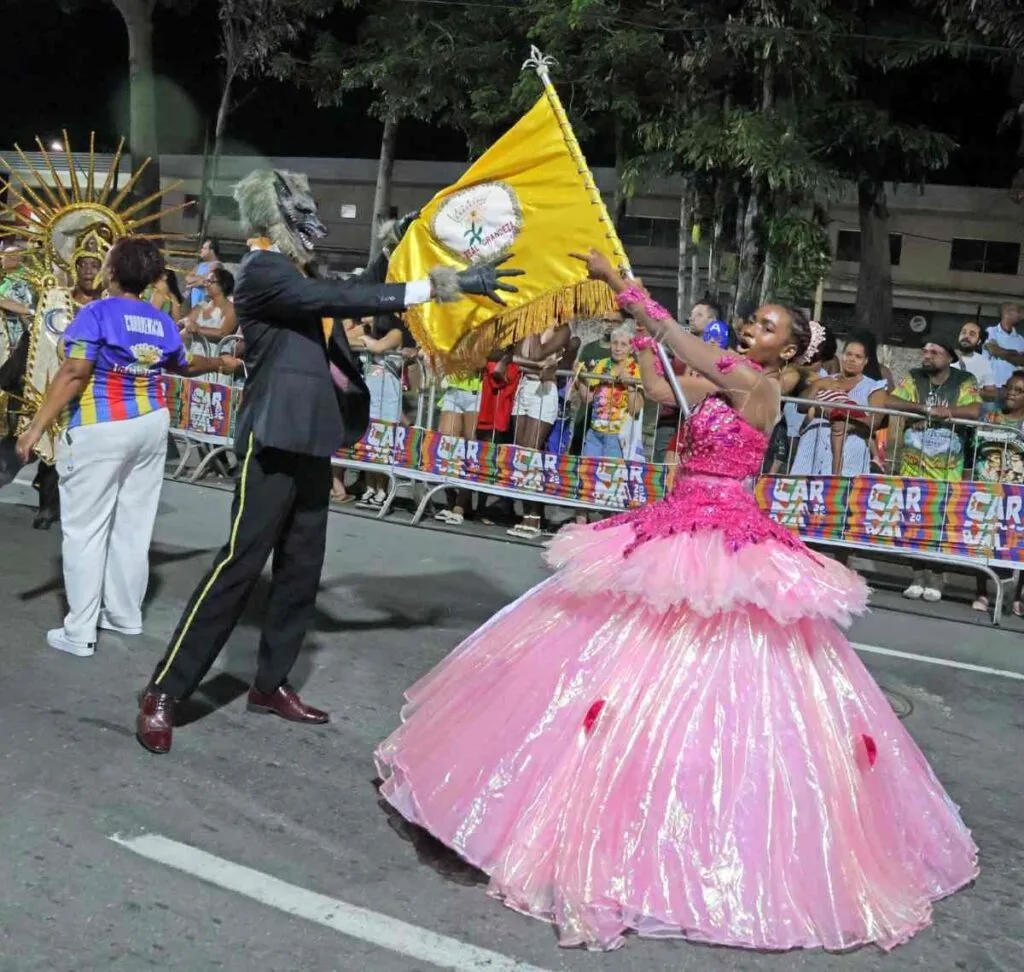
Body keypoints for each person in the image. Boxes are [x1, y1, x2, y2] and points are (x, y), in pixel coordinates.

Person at [375, 248, 978, 952]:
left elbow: (685, 348)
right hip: (671, 523)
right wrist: (640, 342)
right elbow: (664, 388)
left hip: (721, 543)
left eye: (768, 325)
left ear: (788, 350)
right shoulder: (720, 386)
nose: (752, 329)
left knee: (702, 683)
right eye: (753, 320)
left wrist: (628, 292)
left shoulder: (757, 387)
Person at [135, 168, 521, 755]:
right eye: (304, 213)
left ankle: (270, 684)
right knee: (238, 568)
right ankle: (165, 691)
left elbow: (349, 289)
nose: (315, 223)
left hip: (312, 439)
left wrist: (393, 249)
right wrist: (443, 284)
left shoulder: (297, 275)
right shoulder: (263, 272)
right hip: (271, 440)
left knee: (299, 573)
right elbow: (335, 297)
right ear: (274, 220)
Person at [15, 239, 239, 658]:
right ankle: (123, 614)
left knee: (84, 528)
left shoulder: (97, 312)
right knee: (133, 525)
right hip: (151, 424)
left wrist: (34, 428)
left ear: (112, 272)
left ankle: (79, 631)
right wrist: (220, 364)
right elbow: (184, 365)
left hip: (102, 424)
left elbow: (74, 371)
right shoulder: (159, 319)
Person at [885, 341, 982, 602]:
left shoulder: (964, 380)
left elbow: (974, 409)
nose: (926, 355)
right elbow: (890, 400)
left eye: (934, 352)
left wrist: (947, 413)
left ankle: (937, 577)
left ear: (949, 357)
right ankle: (916, 576)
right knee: (913, 519)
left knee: (941, 522)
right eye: (924, 350)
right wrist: (923, 410)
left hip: (947, 467)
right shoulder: (915, 377)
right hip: (913, 462)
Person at [790, 332, 889, 477]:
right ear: (842, 355)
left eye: (858, 357)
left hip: (849, 451)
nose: (852, 360)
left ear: (865, 361)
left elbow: (875, 421)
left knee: (839, 495)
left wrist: (847, 423)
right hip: (813, 446)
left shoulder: (873, 386)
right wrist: (817, 386)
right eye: (848, 354)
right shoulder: (826, 379)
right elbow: (801, 406)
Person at [578, 324, 642, 459]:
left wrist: (630, 384)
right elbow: (587, 398)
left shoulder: (635, 369)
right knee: (588, 475)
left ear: (631, 348)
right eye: (615, 343)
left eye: (623, 345)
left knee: (612, 477)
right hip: (594, 433)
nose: (618, 348)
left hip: (618, 437)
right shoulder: (601, 364)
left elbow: (635, 409)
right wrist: (580, 376)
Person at [955, 321, 997, 402]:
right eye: (963, 332)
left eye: (972, 334)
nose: (966, 336)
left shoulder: (984, 363)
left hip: (967, 410)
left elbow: (993, 394)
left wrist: (974, 391)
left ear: (979, 341)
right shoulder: (943, 355)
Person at [185, 238, 220, 310]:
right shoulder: (200, 265)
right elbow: (187, 278)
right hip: (195, 307)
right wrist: (200, 279)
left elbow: (205, 281)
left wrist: (196, 280)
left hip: (206, 307)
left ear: (212, 251)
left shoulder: (216, 265)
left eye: (204, 248)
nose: (201, 250)